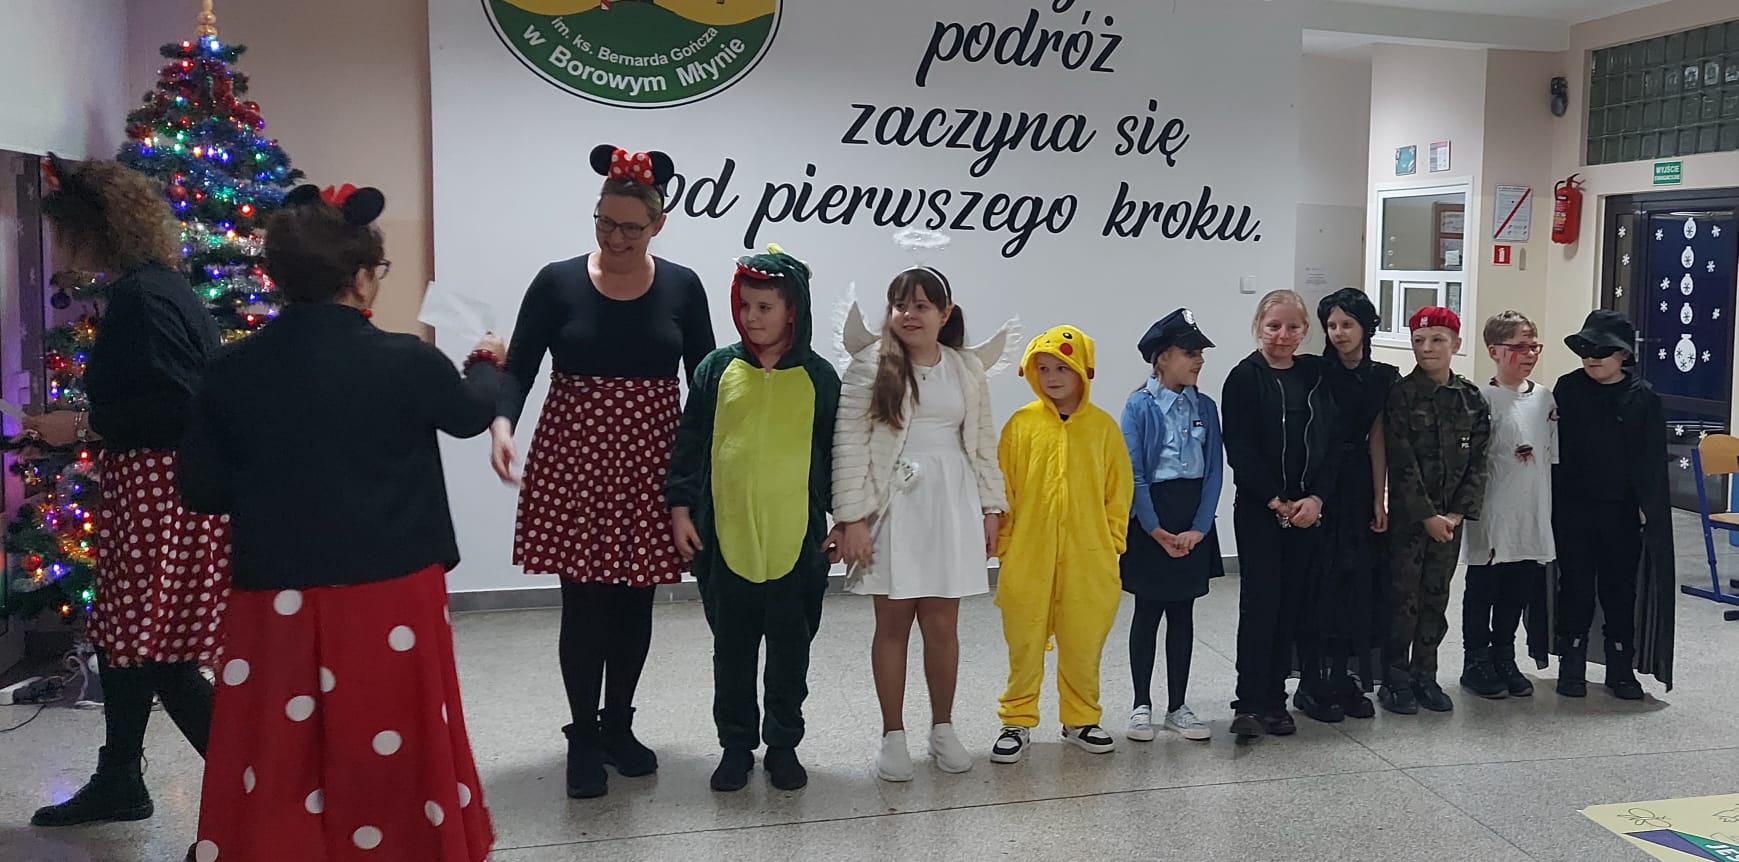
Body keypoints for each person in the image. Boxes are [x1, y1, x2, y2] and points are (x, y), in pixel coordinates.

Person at [178, 183, 501, 861]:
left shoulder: (229, 370)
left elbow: (202, 490)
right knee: (394, 732)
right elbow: (472, 416)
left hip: (276, 589)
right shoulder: (407, 360)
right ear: (359, 279)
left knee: (281, 744)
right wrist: (485, 364)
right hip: (392, 586)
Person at [491, 144, 715, 798]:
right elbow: (519, 369)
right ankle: (583, 737)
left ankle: (619, 724)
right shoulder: (556, 281)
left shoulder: (683, 286)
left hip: (652, 461)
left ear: (658, 224)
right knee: (584, 603)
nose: (615, 238)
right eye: (605, 223)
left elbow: (705, 382)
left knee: (635, 600)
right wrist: (502, 425)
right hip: (575, 460)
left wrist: (704, 471)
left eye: (630, 228)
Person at [26, 157, 229, 837]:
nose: (62, 247)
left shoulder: (143, 298)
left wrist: (83, 424)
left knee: (159, 653)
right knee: (128, 644)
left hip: (158, 496)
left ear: (95, 229)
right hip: (160, 491)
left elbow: (179, 407)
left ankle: (256, 787)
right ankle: (120, 777)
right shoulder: (160, 288)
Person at [666, 245, 842, 793]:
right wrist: (680, 509)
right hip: (726, 538)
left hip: (798, 541)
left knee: (791, 649)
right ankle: (736, 745)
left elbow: (837, 454)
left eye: (765, 307)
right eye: (745, 305)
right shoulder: (717, 370)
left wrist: (844, 518)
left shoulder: (819, 377)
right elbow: (690, 446)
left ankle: (783, 743)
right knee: (732, 651)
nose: (752, 317)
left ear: (792, 311)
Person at [833, 254, 1015, 782]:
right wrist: (852, 518)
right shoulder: (871, 365)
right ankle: (892, 735)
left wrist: (991, 506)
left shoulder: (965, 368)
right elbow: (849, 444)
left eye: (920, 306)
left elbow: (981, 442)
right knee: (892, 624)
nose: (908, 315)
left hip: (950, 504)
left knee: (942, 625)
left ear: (944, 312)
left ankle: (943, 727)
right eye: (899, 305)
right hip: (892, 506)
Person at [990, 325, 1133, 763]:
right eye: (1044, 368)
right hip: (1028, 555)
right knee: (1024, 642)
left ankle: (1081, 718)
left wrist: (1112, 540)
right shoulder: (1021, 425)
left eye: (1062, 368)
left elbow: (1118, 490)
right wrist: (1006, 545)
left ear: (1083, 371)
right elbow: (1004, 488)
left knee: (1083, 642)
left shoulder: (1103, 429)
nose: (1052, 377)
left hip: (1088, 558)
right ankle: (1016, 720)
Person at [1220, 290, 1339, 739]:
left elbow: (1333, 443)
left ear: (1305, 331)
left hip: (1308, 511)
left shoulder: (1315, 375)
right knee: (1261, 607)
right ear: (1258, 327)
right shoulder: (1243, 378)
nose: (1282, 335)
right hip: (1260, 512)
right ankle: (1250, 703)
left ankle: (1277, 701)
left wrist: (1317, 499)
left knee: (1293, 608)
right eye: (1273, 326)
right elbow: (1239, 448)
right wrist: (1275, 500)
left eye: (1292, 327)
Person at [1546, 310, 1674, 699]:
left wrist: (1648, 508)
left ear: (1623, 355)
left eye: (1603, 350)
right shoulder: (1568, 388)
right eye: (1586, 349)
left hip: (1620, 511)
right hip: (1573, 508)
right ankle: (1571, 663)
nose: (1592, 358)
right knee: (1576, 586)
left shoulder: (1643, 398)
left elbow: (1652, 459)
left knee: (1619, 589)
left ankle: (1621, 667)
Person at [1381, 306, 1491, 715]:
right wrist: (1427, 515)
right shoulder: (1401, 394)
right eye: (1418, 340)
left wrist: (1456, 515)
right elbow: (1401, 461)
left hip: (1449, 522)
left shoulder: (1470, 399)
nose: (1427, 348)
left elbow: (1478, 462)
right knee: (1403, 600)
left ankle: (1425, 676)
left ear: (1456, 344)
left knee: (1435, 598)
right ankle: (1395, 679)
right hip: (1411, 521)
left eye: (1437, 340)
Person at [1119, 309, 1222, 743]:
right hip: (1152, 519)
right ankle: (1140, 703)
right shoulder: (1139, 406)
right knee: (1147, 612)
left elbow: (1214, 471)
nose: (1199, 360)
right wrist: (1155, 529)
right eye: (1189, 352)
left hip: (1191, 516)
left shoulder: (1206, 407)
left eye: (1200, 353)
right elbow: (1134, 474)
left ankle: (1178, 705)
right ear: (1162, 358)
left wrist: (1200, 528)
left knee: (1183, 612)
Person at [1297, 288, 1399, 723]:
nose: (1339, 333)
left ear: (1365, 328)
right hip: (1321, 479)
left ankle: (1346, 677)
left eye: (1347, 324)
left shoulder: (1383, 376)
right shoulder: (1314, 372)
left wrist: (1379, 496)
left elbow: (1377, 438)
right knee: (1319, 582)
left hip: (1357, 484)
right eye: (1332, 325)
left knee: (1356, 582)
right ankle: (1312, 681)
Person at [1459, 311, 1556, 700]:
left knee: (1518, 587)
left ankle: (1504, 655)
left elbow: (1551, 454)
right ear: (1494, 351)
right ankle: (1475, 660)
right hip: (1493, 510)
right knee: (1485, 586)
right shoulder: (1482, 399)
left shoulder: (1544, 398)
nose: (1528, 354)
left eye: (1533, 346)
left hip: (1531, 510)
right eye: (1518, 347)